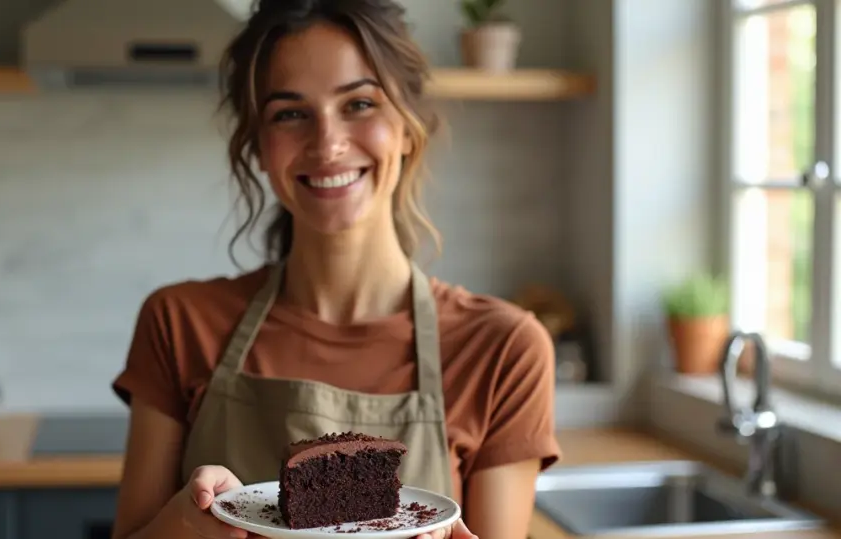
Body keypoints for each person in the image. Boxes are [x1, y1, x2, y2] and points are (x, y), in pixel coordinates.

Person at [108, 0, 561, 538]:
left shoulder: (504, 349)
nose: (327, 144)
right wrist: (185, 524)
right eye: (290, 113)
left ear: (409, 129)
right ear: (258, 146)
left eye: (360, 103)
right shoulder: (178, 323)